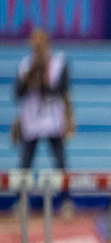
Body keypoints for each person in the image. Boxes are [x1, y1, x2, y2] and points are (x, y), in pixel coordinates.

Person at [12, 29, 73, 215]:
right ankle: (22, 201)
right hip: (32, 121)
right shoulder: (25, 65)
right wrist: (31, 74)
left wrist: (43, 76)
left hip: (53, 120)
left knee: (60, 162)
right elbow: (18, 93)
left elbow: (62, 89)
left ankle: (66, 201)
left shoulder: (59, 63)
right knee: (25, 163)